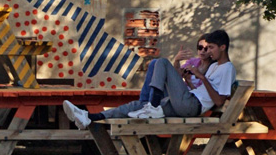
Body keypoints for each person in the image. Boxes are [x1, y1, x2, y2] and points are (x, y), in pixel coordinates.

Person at [63, 29, 236, 129]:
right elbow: (203, 92)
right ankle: (89, 117)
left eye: (212, 48)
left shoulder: (227, 68)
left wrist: (202, 78)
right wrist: (189, 81)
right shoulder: (214, 66)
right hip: (187, 100)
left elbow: (220, 100)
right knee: (140, 95)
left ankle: (151, 105)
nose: (209, 51)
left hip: (191, 106)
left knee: (162, 62)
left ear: (223, 47)